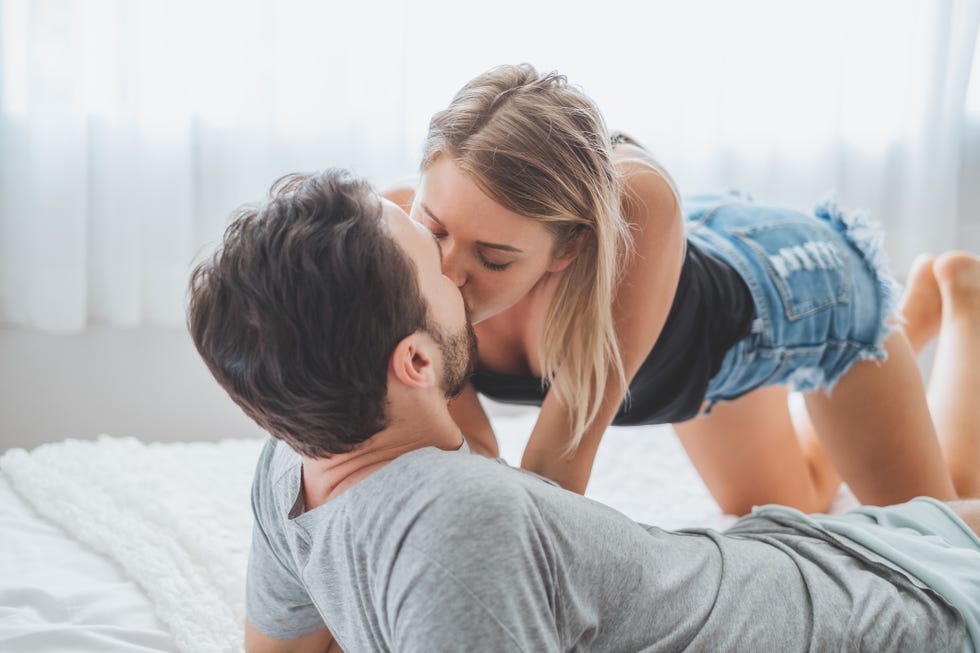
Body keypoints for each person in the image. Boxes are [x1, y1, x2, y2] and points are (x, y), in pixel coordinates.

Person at [188, 170, 980, 652]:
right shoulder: (455, 522)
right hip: (865, 584)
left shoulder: (295, 454)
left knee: (946, 491)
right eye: (438, 266)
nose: (460, 276)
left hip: (803, 311)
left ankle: (923, 321)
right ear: (417, 362)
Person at [383, 63, 980, 514]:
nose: (446, 270)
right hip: (698, 337)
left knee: (939, 536)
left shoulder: (637, 207)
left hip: (797, 300)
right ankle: (919, 312)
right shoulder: (387, 237)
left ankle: (963, 307)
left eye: (493, 258)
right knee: (795, 503)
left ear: (569, 249)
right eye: (433, 228)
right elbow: (467, 458)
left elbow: (550, 480)